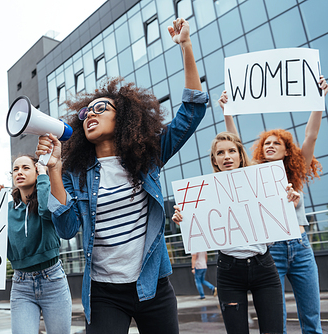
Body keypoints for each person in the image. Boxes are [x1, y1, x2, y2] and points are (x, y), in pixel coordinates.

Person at [37, 18, 208, 334]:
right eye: (86, 112)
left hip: (153, 284)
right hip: (104, 293)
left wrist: (186, 46)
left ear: (125, 118)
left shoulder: (147, 157)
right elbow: (66, 227)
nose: (91, 114)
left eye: (101, 109)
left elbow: (193, 112)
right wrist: (55, 171)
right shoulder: (76, 173)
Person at [219, 75, 327, 334]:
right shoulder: (253, 173)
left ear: (287, 150)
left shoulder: (295, 174)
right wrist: (228, 113)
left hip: (301, 248)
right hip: (272, 250)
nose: (269, 145)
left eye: (276, 143)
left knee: (312, 318)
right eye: (266, 143)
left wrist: (319, 99)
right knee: (275, 323)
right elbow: (234, 143)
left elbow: (311, 135)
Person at [172, 132, 300, 334]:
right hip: (229, 270)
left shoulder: (262, 182)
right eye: (220, 153)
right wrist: (183, 218)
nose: (227, 156)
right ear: (214, 159)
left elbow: (278, 212)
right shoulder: (204, 193)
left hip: (264, 267)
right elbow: (199, 227)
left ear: (240, 154)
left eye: (232, 151)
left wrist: (288, 199)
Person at [0, 155, 72, 334]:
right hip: (21, 284)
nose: (19, 172)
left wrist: (44, 174)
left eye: (26, 168)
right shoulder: (6, 209)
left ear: (36, 171)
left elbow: (45, 211)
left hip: (53, 281)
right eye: (16, 169)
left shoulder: (48, 198)